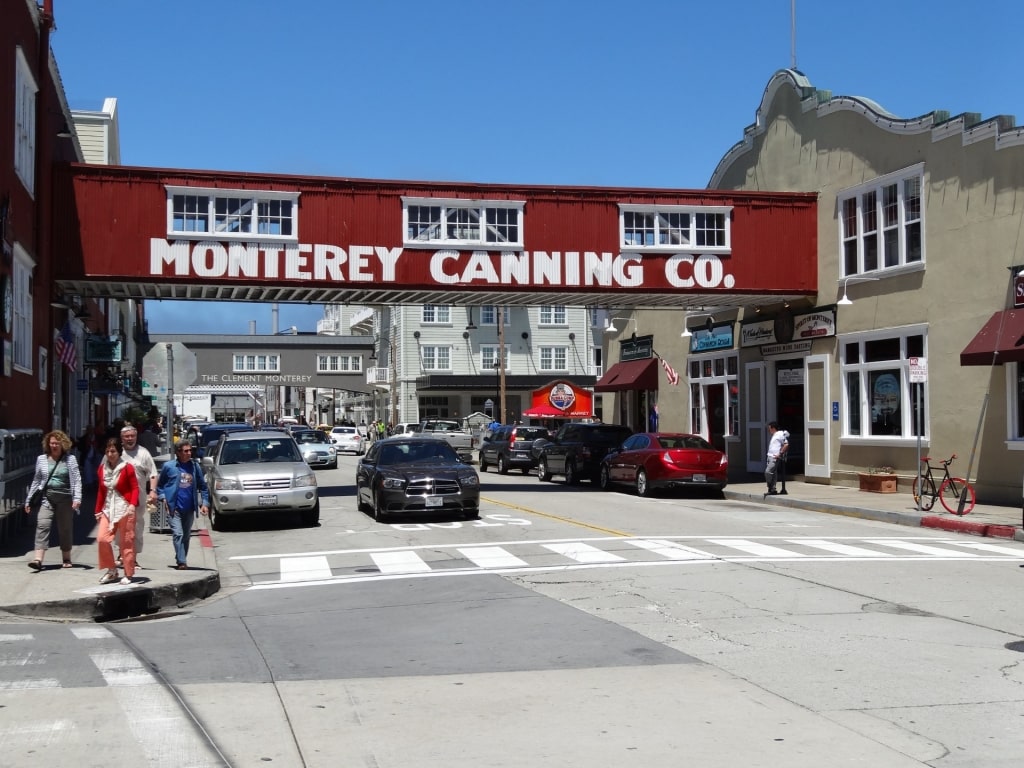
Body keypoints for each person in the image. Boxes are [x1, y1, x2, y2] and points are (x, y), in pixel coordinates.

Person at [24, 430, 83, 571]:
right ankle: (38, 559)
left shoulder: (70, 460)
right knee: (42, 525)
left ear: (63, 444)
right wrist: (28, 500)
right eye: (51, 443)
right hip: (47, 498)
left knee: (65, 528)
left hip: (66, 498)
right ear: (47, 444)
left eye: (57, 443)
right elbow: (37, 480)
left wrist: (77, 498)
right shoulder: (42, 459)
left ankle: (66, 557)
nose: (54, 446)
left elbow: (77, 480)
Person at [156, 442, 210, 569]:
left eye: (190, 450)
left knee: (186, 536)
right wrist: (163, 499)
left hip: (189, 508)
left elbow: (203, 487)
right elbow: (160, 486)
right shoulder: (169, 467)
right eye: (186, 451)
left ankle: (181, 557)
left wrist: (205, 504)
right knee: (178, 534)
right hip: (173, 507)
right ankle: (182, 561)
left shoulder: (195, 467)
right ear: (178, 452)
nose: (189, 453)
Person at [94, 437, 140, 585]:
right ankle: (112, 570)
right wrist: (97, 510)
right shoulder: (102, 469)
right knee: (102, 539)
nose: (110, 454)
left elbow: (135, 488)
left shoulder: (127, 467)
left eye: (113, 451)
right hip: (108, 508)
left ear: (119, 452)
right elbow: (101, 491)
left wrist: (132, 505)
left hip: (125, 507)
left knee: (126, 542)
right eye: (107, 451)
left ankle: (128, 572)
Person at [118, 424, 158, 569]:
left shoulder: (143, 453)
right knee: (121, 527)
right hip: (119, 498)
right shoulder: (116, 452)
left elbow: (153, 473)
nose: (130, 439)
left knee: (136, 527)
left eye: (132, 436)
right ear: (121, 438)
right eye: (127, 436)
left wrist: (152, 491)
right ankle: (123, 554)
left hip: (138, 498)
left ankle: (132, 558)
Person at [764, 421, 790, 496]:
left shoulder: (780, 434)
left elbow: (786, 444)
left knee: (768, 472)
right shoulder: (775, 435)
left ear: (773, 428)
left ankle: (770, 486)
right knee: (773, 473)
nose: (769, 430)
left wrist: (780, 453)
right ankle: (773, 489)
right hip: (770, 456)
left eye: (769, 428)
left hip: (774, 457)